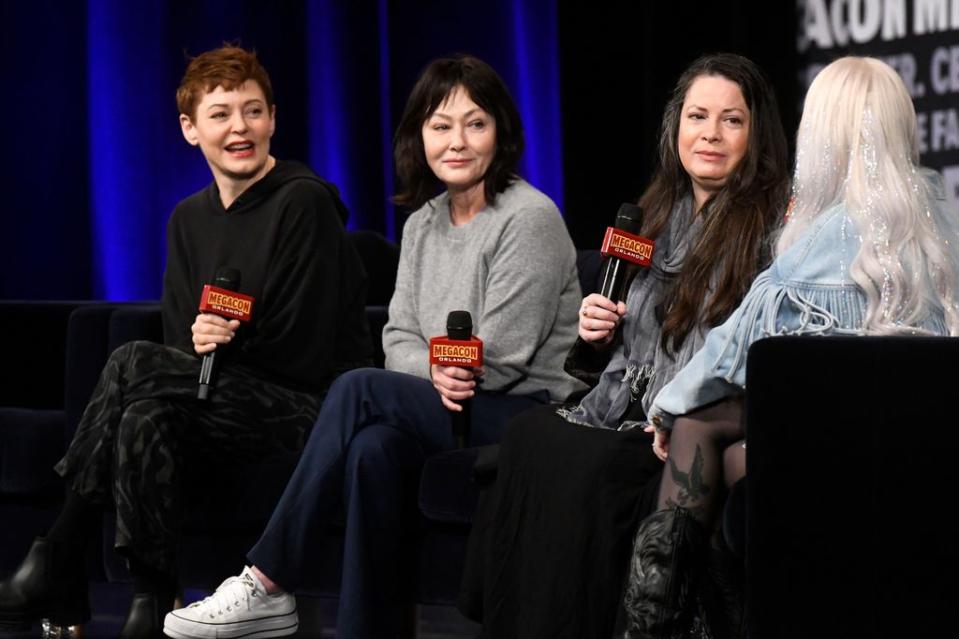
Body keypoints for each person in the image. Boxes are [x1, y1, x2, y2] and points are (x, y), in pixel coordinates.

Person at [163, 54, 584, 639]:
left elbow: (503, 358)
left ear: (501, 132)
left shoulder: (529, 218)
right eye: (440, 126)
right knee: (373, 448)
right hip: (447, 400)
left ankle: (266, 581)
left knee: (357, 388)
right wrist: (434, 370)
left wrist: (435, 369)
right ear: (419, 137)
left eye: (475, 124)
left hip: (528, 414)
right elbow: (397, 339)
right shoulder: (423, 224)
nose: (456, 142)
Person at [0, 46, 371, 638]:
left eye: (252, 111)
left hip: (312, 408)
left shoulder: (305, 201)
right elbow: (178, 350)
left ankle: (60, 550)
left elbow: (302, 353)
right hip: (218, 400)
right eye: (221, 114)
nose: (239, 128)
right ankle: (153, 604)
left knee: (130, 363)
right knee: (144, 412)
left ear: (273, 118)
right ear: (190, 129)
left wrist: (225, 341)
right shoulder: (186, 219)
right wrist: (200, 342)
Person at [622, 56, 959, 639]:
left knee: (695, 425)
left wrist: (667, 405)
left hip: (843, 444)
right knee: (727, 462)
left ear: (822, 133)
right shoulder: (940, 213)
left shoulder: (834, 231)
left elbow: (734, 349)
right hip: (926, 448)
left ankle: (652, 627)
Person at [458, 53, 791, 639]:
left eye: (731, 120)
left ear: (756, 132)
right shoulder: (654, 211)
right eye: (697, 116)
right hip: (617, 404)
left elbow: (749, 355)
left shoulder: (770, 227)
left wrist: (668, 411)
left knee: (590, 467)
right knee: (528, 437)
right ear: (675, 127)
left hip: (682, 422)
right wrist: (597, 331)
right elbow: (608, 360)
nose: (710, 134)